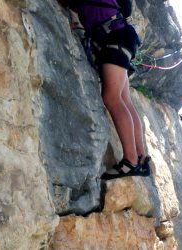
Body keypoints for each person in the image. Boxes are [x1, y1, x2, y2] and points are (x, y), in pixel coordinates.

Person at [68, 0, 151, 180]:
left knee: (111, 98)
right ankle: (141, 157)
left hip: (114, 38)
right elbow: (126, 8)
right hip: (120, 34)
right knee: (124, 100)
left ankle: (130, 161)